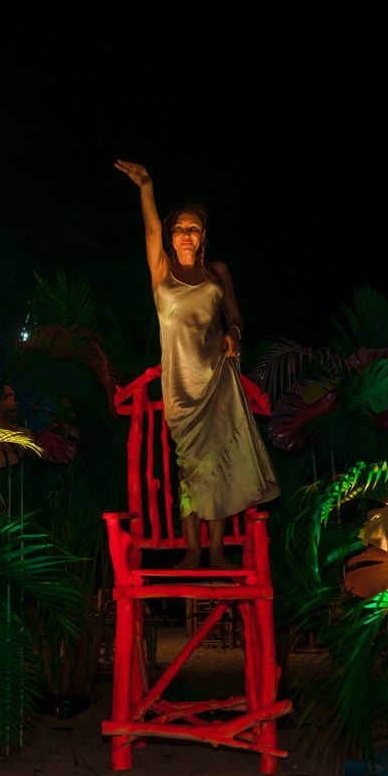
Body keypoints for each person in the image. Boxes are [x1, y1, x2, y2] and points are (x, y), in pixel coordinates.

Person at [114, 159, 280, 569]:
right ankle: (193, 552)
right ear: (171, 236)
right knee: (191, 465)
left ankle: (217, 552)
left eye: (193, 228)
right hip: (181, 387)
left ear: (203, 235)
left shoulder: (217, 271)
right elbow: (150, 230)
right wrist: (146, 186)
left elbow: (235, 317)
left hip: (218, 379)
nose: (186, 234)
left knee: (218, 463)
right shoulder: (162, 272)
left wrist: (234, 334)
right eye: (179, 228)